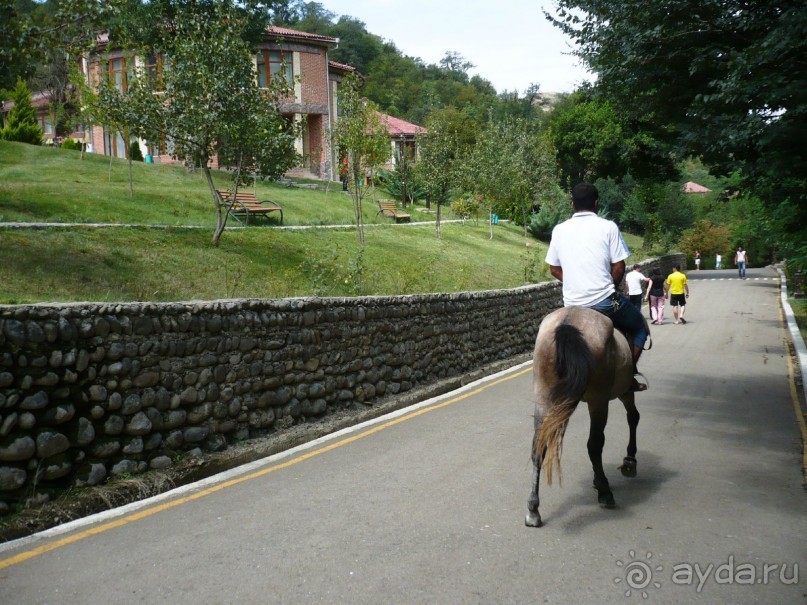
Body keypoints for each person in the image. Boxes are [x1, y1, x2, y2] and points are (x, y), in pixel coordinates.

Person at [545, 183, 649, 391]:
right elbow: (619, 267)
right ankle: (628, 376)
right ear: (596, 203)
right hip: (604, 301)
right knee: (640, 327)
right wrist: (608, 286)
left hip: (571, 304)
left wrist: (575, 281)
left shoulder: (559, 230)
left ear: (572, 204)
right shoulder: (608, 227)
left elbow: (554, 269)